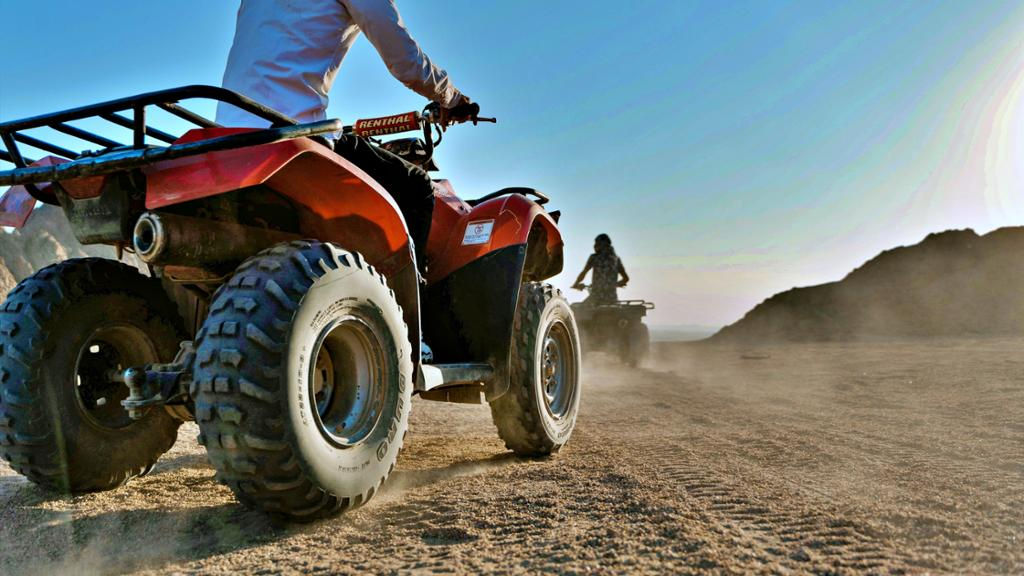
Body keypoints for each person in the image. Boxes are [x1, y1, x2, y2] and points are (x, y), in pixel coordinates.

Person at [215, 0, 477, 271]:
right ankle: (401, 310)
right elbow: (406, 61)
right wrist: (452, 98)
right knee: (416, 187)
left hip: (228, 134)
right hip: (295, 132)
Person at [572, 234, 629, 305]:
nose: (595, 245)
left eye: (597, 243)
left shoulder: (594, 257)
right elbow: (626, 278)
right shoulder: (616, 259)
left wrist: (576, 284)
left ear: (603, 244)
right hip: (612, 299)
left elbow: (584, 273)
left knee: (576, 311)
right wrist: (615, 284)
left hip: (596, 298)